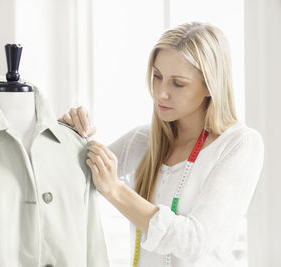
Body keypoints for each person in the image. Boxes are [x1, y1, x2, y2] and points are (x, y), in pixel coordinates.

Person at [58, 22, 264, 267]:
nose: (160, 93)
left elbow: (196, 243)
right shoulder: (143, 141)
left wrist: (114, 189)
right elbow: (68, 176)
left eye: (177, 83)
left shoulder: (238, 144)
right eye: (157, 76)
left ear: (210, 86)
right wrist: (69, 134)